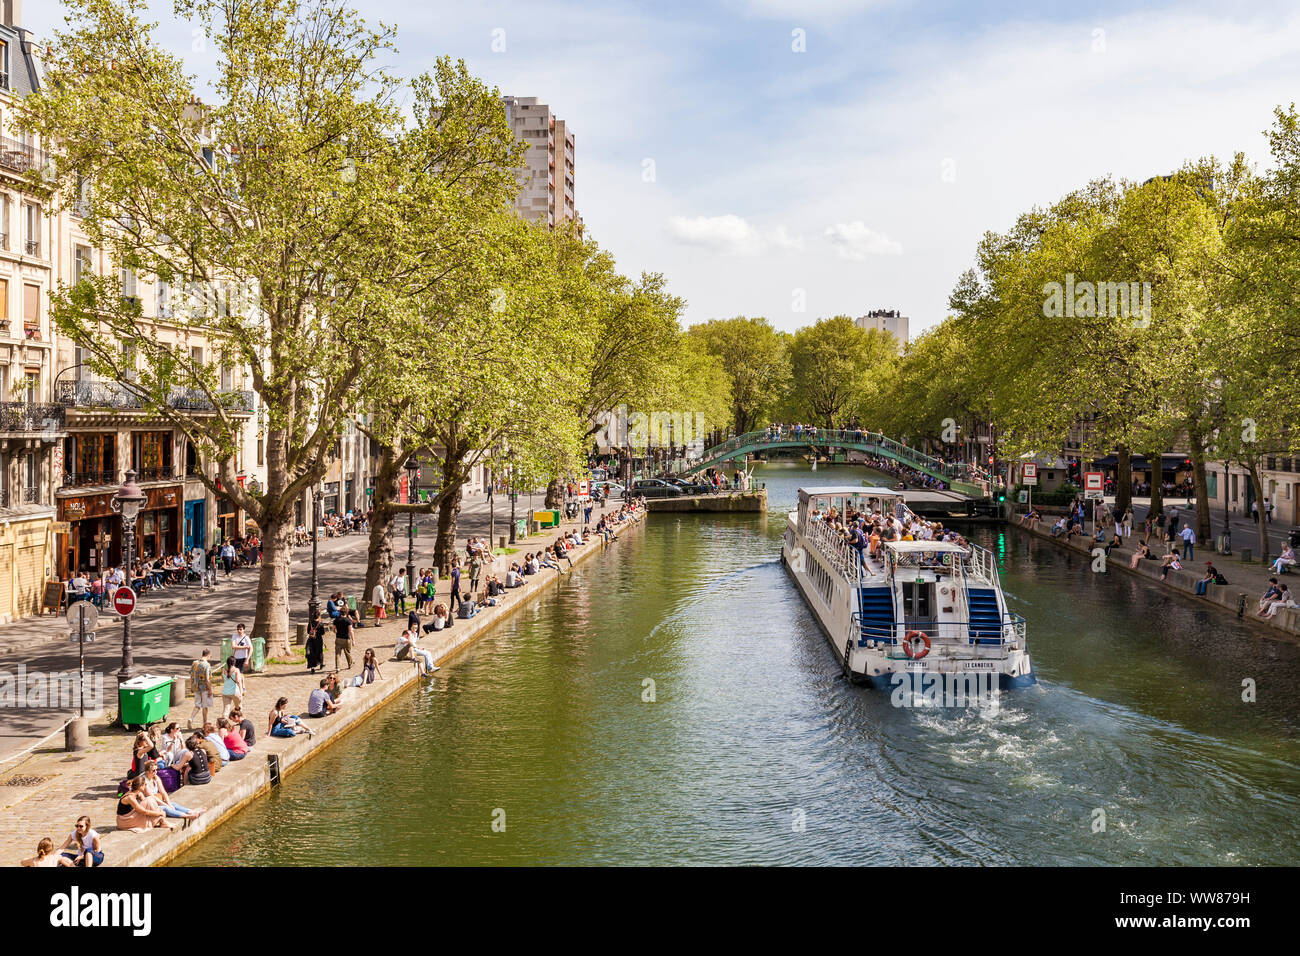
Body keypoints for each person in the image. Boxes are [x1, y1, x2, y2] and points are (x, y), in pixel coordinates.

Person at [188, 649, 214, 729]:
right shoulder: (207, 665)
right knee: (205, 706)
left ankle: (191, 718)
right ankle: (204, 723)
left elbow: (191, 675)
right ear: (208, 655)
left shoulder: (195, 663)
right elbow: (207, 679)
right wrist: (210, 689)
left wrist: (191, 686)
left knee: (197, 705)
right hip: (204, 688)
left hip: (196, 686)